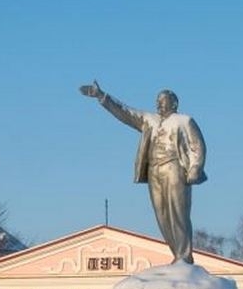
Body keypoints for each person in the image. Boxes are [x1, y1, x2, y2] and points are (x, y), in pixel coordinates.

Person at [80, 80, 206, 264]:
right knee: (161, 214)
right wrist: (102, 96)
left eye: (162, 100)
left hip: (174, 168)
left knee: (177, 212)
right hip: (154, 170)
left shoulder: (184, 121)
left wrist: (195, 168)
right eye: (157, 100)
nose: (158, 104)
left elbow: (198, 145)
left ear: (174, 103)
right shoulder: (150, 120)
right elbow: (126, 113)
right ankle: (177, 255)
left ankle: (184, 256)